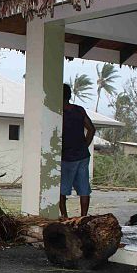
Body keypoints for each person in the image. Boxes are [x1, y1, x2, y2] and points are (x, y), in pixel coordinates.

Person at [59, 83, 96, 219]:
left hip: (67, 157)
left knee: (61, 190)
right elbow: (91, 129)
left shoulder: (58, 112)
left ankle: (64, 217)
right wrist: (84, 145)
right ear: (69, 95)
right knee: (84, 188)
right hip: (82, 156)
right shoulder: (79, 110)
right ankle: (83, 218)